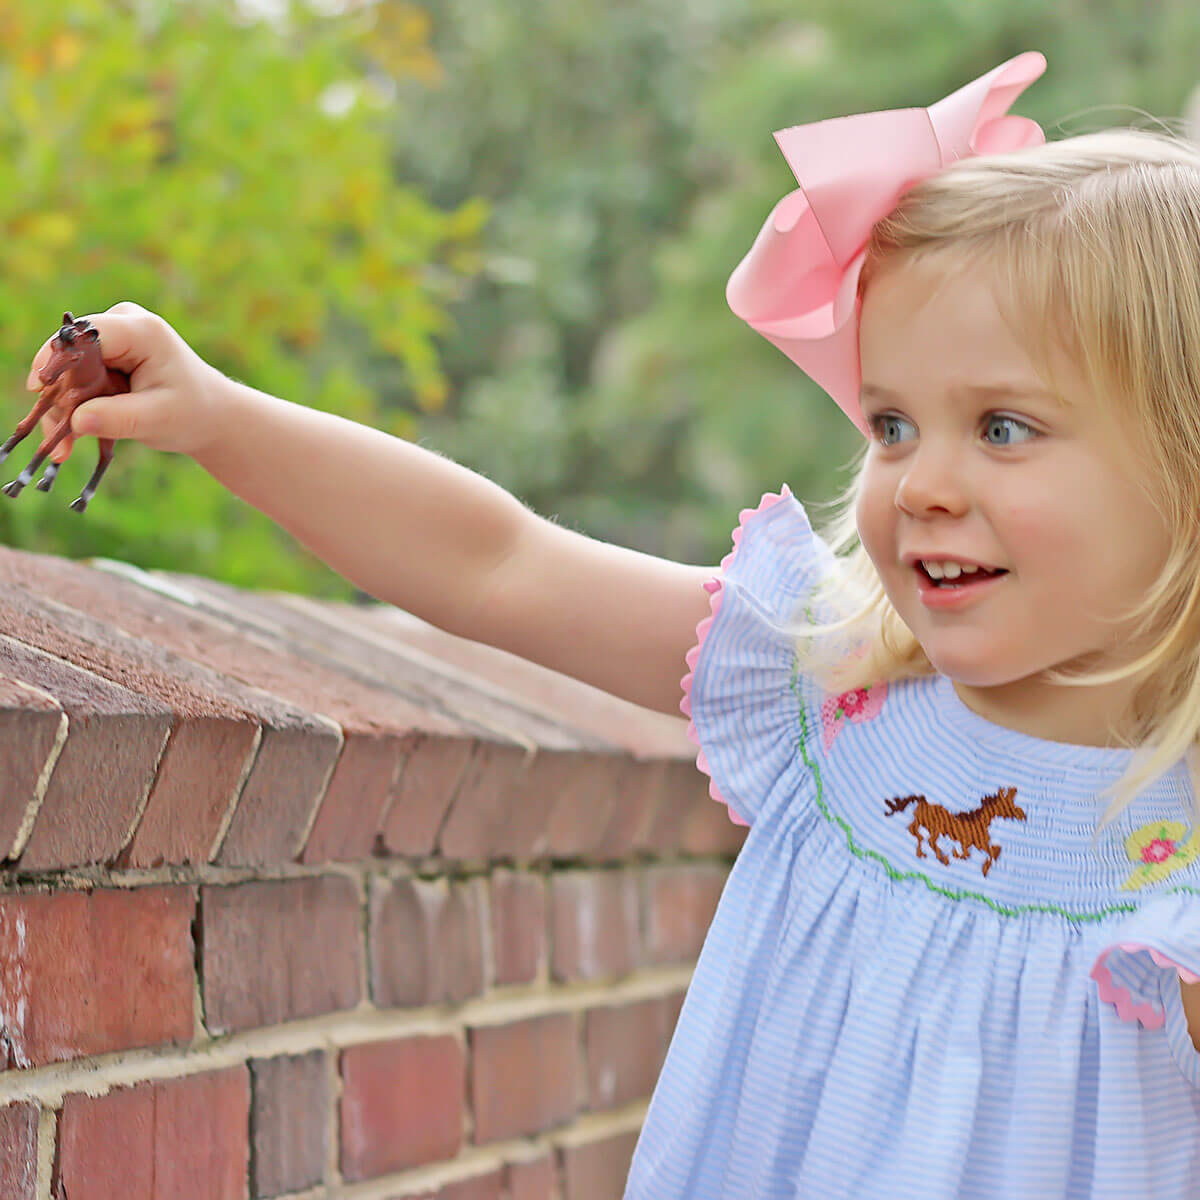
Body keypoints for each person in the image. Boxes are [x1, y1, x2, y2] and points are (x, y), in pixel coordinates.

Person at [25, 50, 1200, 1200]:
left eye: (1001, 427)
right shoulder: (826, 687)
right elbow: (499, 564)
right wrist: (226, 420)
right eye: (892, 425)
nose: (924, 483)